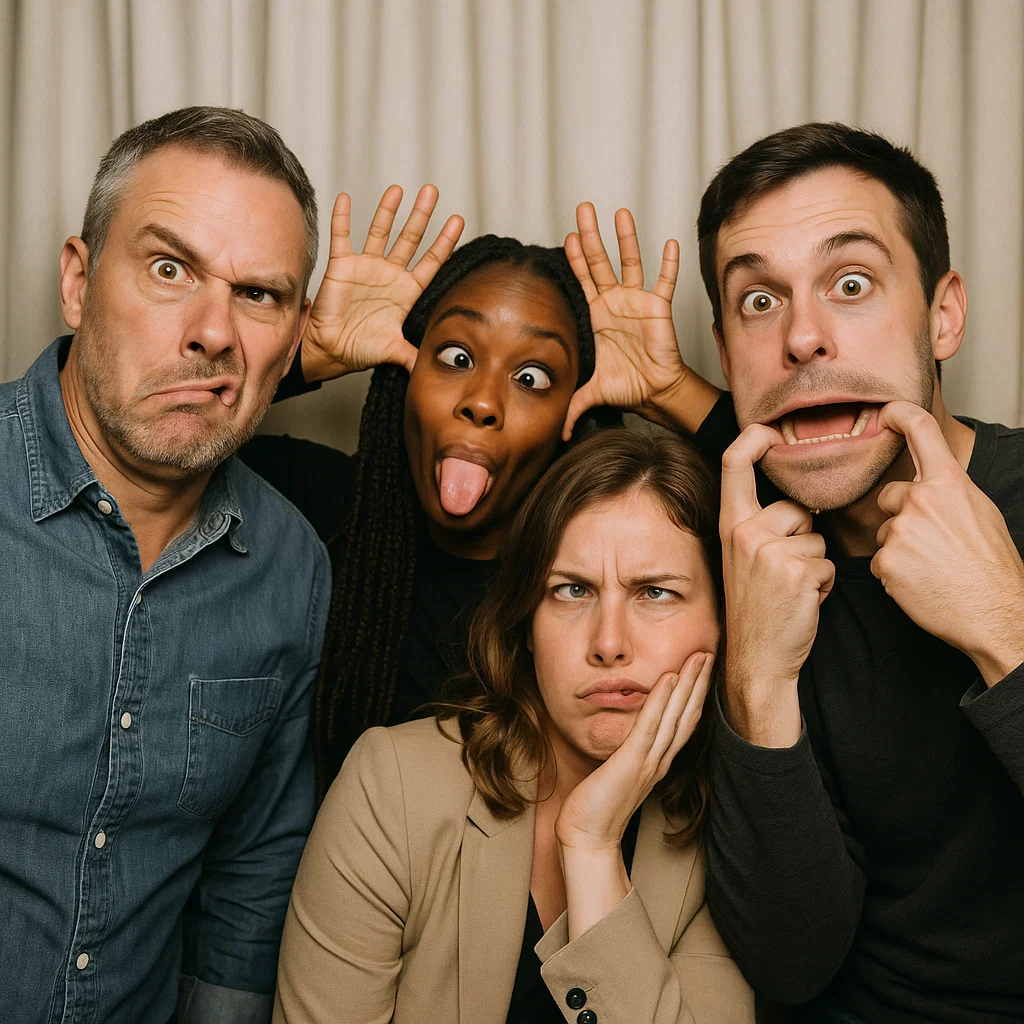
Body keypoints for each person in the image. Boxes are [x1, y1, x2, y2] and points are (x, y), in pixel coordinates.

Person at [570, 123, 1024, 1022]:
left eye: (850, 284)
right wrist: (761, 675)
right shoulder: (745, 564)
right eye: (758, 302)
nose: (803, 338)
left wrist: (1004, 626)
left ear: (944, 313)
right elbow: (793, 962)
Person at [0, 106, 334, 1023]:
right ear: (76, 281)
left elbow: (254, 869)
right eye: (168, 268)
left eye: (260, 295)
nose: (214, 332)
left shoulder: (291, 567)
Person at [273, 429, 755, 1024]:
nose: (609, 643)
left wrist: (593, 845)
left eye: (655, 592)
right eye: (571, 590)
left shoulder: (729, 839)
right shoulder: (392, 786)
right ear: (527, 623)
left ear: (725, 622)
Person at [240, 195, 704, 796]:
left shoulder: (605, 577)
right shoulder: (327, 509)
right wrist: (309, 357)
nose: (482, 401)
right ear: (406, 374)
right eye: (457, 357)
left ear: (575, 411)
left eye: (532, 378)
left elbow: (808, 508)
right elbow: (147, 438)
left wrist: (670, 390)